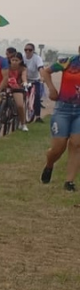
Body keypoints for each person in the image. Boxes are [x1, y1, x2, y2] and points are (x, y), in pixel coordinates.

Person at [41, 50, 80, 192]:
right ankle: (49, 164)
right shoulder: (68, 62)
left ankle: (69, 181)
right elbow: (46, 72)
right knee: (59, 147)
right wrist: (52, 89)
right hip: (63, 109)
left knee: (76, 145)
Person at [6, 52, 30, 132]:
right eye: (13, 60)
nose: (14, 62)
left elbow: (24, 76)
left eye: (16, 60)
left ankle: (23, 124)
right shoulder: (6, 66)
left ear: (20, 61)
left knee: (20, 105)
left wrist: (25, 82)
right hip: (5, 86)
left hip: (17, 87)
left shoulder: (23, 68)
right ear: (10, 60)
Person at [22, 43, 46, 123]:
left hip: (35, 80)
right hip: (24, 79)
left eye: (30, 50)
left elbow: (41, 68)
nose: (27, 51)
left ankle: (38, 116)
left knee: (37, 97)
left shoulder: (37, 58)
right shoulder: (22, 57)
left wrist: (42, 77)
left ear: (33, 50)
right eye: (26, 50)